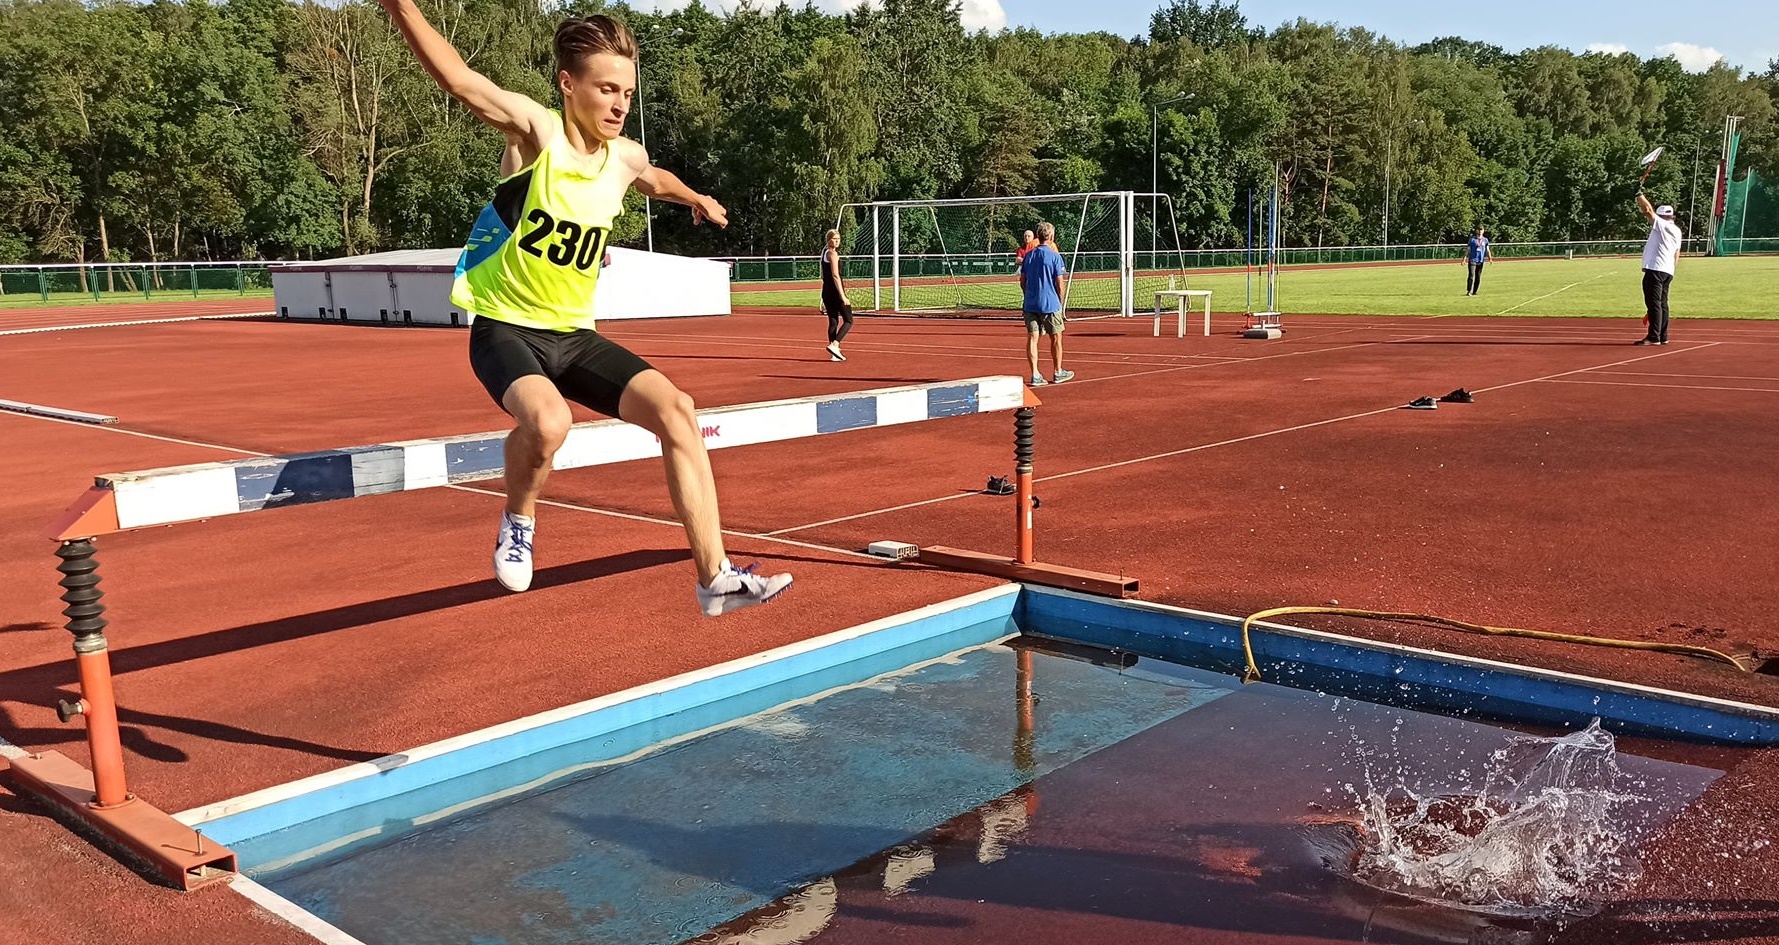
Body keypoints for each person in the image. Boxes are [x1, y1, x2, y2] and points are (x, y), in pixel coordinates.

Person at [376, 2, 791, 615]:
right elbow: (459, 79)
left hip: (573, 336)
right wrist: (400, 6)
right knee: (549, 424)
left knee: (678, 410)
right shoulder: (535, 134)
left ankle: (714, 578)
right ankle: (519, 520)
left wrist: (695, 197)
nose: (619, 104)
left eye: (627, 91)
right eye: (606, 89)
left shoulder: (622, 156)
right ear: (569, 85)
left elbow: (655, 178)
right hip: (507, 328)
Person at [1017, 222, 1072, 386]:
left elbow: (1022, 280)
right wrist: (1060, 303)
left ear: (1037, 236)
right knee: (1056, 337)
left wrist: (1028, 295)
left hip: (1031, 304)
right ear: (1052, 236)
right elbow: (1059, 283)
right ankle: (1058, 371)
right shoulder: (1055, 256)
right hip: (1050, 303)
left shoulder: (1029, 255)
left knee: (1033, 338)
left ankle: (1035, 374)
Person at [1635, 195, 1682, 345]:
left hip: (1655, 268)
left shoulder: (1662, 225)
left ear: (1662, 216)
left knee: (1654, 303)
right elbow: (1676, 254)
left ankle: (1654, 336)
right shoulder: (1677, 230)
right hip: (1667, 270)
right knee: (1662, 303)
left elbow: (1648, 210)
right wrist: (1672, 270)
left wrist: (1639, 195)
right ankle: (1663, 335)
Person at [819, 229, 853, 361]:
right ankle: (835, 344)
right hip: (834, 292)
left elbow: (824, 275)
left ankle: (835, 354)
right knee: (849, 320)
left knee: (833, 321)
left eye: (838, 239)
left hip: (826, 292)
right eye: (834, 239)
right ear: (829, 240)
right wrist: (843, 295)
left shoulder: (823, 253)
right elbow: (835, 275)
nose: (837, 241)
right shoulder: (832, 254)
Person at [1464, 225, 1491, 296]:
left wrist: (1490, 258)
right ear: (1476, 231)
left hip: (1480, 261)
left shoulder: (1485, 240)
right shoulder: (1472, 239)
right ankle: (1469, 291)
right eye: (1479, 230)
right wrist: (1464, 259)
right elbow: (1468, 250)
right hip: (1472, 260)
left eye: (1481, 230)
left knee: (1478, 277)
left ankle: (1475, 291)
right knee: (1471, 275)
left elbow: (1487, 250)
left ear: (1483, 231)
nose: (1480, 231)